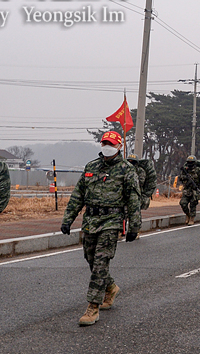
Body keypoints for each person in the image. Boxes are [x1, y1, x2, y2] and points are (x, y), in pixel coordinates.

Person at [60, 131, 141, 326]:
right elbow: (78, 194)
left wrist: (134, 226)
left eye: (111, 143)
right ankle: (111, 287)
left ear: (119, 147)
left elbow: (133, 199)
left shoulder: (127, 170)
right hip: (90, 221)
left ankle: (92, 307)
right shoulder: (91, 167)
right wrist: (68, 219)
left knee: (100, 263)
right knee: (90, 259)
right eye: (105, 142)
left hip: (111, 221)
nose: (107, 146)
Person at [178, 155, 200, 226]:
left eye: (191, 162)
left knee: (193, 205)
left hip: (195, 190)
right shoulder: (185, 170)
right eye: (189, 162)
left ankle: (191, 219)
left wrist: (197, 186)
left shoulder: (198, 170)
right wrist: (186, 178)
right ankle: (187, 214)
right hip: (186, 190)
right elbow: (180, 178)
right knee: (183, 203)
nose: (190, 163)